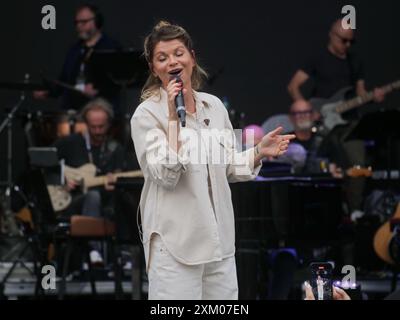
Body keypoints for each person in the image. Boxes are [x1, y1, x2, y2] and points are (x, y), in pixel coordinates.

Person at [130, 21, 295, 300]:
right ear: (153, 68)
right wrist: (173, 119)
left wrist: (258, 152)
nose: (172, 61)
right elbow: (165, 176)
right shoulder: (146, 115)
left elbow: (228, 166)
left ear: (192, 58)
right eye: (162, 57)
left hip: (219, 244)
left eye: (178, 53)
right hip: (175, 248)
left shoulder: (214, 106)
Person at [287, 18, 385, 214]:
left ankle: (355, 211)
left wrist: (373, 97)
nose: (347, 45)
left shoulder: (354, 62)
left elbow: (360, 93)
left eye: (351, 41)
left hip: (349, 122)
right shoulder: (317, 58)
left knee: (358, 164)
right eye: (343, 40)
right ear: (332, 35)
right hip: (324, 124)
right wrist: (308, 109)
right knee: (322, 164)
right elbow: (293, 86)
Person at [53, 98, 125, 264]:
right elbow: (43, 161)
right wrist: (62, 178)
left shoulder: (115, 149)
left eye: (102, 126)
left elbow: (118, 176)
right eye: (93, 127)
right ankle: (94, 250)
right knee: (93, 196)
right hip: (71, 202)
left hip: (105, 202)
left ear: (109, 124)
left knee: (101, 197)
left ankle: (121, 253)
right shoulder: (70, 143)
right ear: (86, 123)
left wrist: (113, 183)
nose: (98, 131)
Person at [34, 4, 121, 136]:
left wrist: (97, 89)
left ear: (97, 21)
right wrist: (49, 92)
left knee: (96, 111)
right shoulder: (74, 50)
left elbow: (117, 81)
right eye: (77, 23)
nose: (79, 26)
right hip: (74, 107)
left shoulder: (110, 48)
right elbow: (64, 80)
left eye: (84, 22)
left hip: (100, 105)